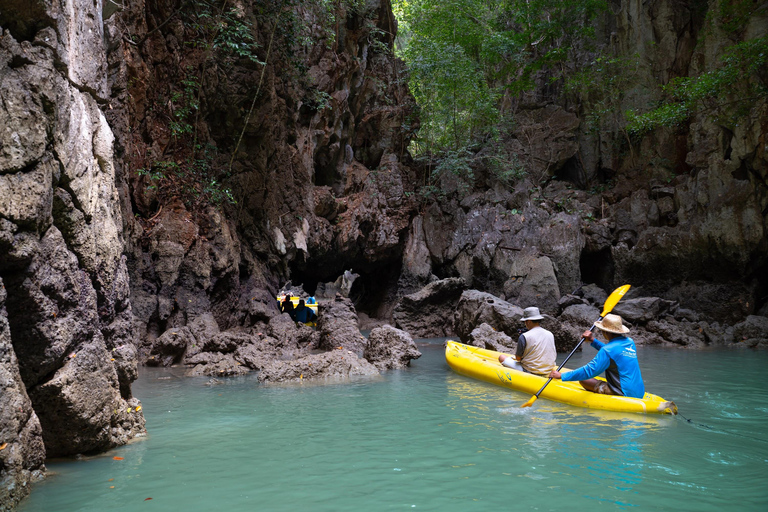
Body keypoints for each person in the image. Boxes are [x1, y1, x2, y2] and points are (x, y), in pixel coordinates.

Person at [548, 314, 645, 398]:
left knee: (584, 380)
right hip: (639, 391)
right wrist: (592, 340)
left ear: (606, 332)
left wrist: (562, 375)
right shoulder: (630, 342)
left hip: (623, 393)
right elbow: (613, 353)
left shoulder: (608, 350)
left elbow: (590, 371)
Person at [498, 307, 556, 376]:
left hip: (530, 371)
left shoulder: (524, 336)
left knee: (501, 357)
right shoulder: (550, 334)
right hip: (548, 370)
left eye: (525, 322)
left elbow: (518, 358)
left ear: (528, 321)